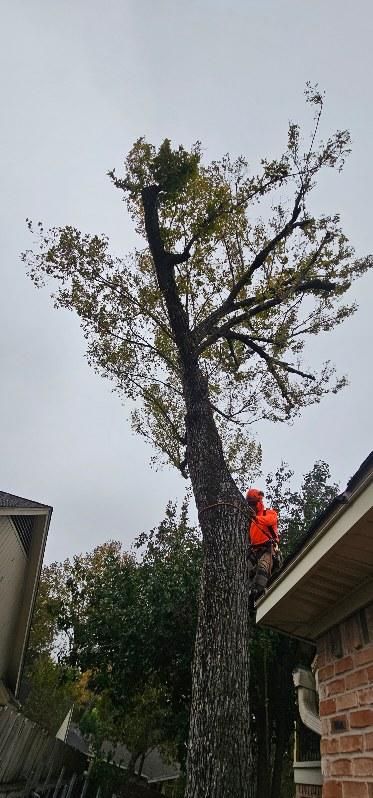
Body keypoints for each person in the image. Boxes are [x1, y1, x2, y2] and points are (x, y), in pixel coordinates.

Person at [245, 488, 279, 608]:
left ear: (259, 502)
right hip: (254, 550)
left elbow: (271, 520)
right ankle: (245, 592)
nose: (252, 506)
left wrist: (256, 518)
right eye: (250, 504)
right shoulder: (251, 521)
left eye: (253, 503)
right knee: (243, 569)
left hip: (267, 548)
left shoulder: (268, 513)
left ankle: (255, 594)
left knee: (263, 567)